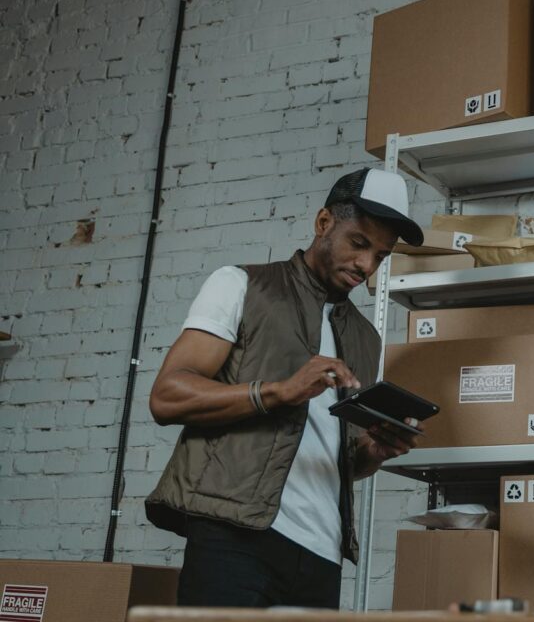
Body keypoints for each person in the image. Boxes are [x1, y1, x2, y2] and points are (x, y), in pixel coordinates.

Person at [145, 168, 425, 607]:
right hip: (235, 538)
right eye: (358, 243)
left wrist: (374, 451)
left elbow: (343, 461)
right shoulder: (242, 284)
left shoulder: (365, 339)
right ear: (323, 223)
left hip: (322, 554)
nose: (366, 265)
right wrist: (277, 392)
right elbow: (166, 396)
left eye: (381, 255)